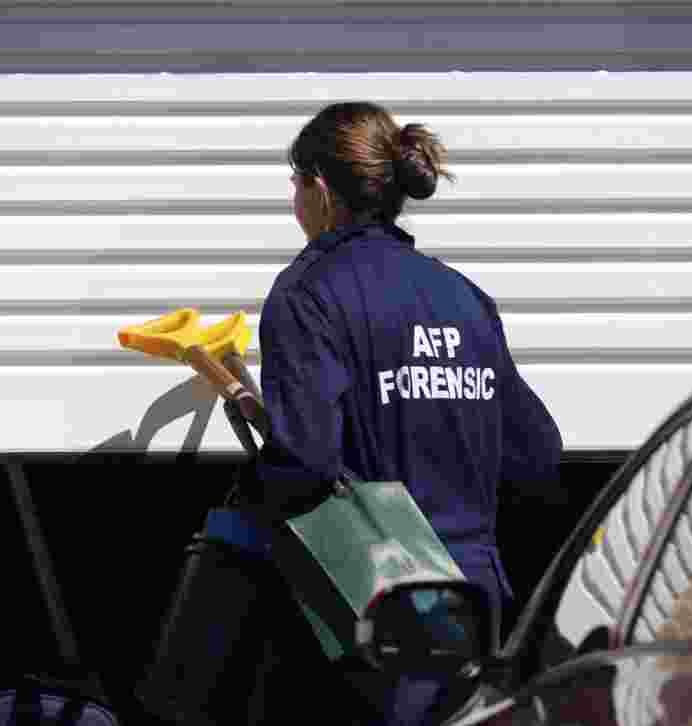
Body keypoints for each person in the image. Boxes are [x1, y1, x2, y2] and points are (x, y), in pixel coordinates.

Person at [231, 101, 564, 725]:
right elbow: (537, 455)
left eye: (295, 185)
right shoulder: (462, 295)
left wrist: (269, 455)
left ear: (320, 189)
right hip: (477, 611)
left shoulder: (308, 293)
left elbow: (306, 461)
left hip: (377, 617)